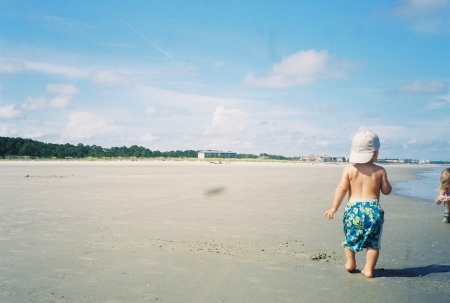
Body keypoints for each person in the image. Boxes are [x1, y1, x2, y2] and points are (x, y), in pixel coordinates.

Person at [324, 130, 392, 278]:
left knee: (350, 238)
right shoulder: (380, 170)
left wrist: (334, 207)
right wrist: (385, 181)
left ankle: (350, 263)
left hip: (353, 209)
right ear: (375, 152)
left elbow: (342, 188)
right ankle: (368, 269)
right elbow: (386, 191)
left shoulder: (349, 169)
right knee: (373, 242)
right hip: (373, 210)